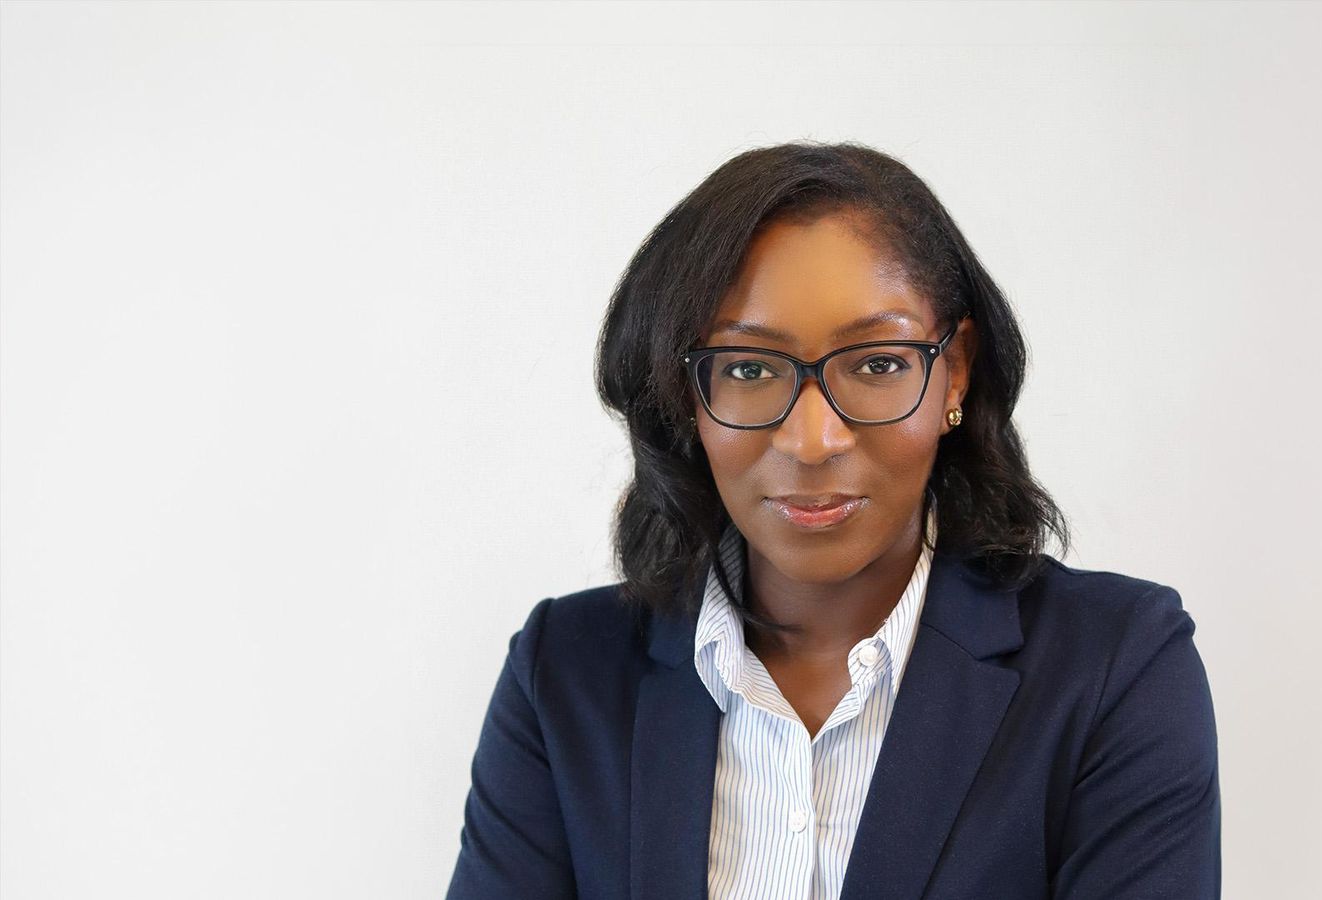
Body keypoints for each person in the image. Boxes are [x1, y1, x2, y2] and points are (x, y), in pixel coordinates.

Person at [445, 141, 1221, 900]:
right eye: (749, 368)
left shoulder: (1114, 670)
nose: (812, 441)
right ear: (684, 396)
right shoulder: (563, 678)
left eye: (878, 364)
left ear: (954, 372)